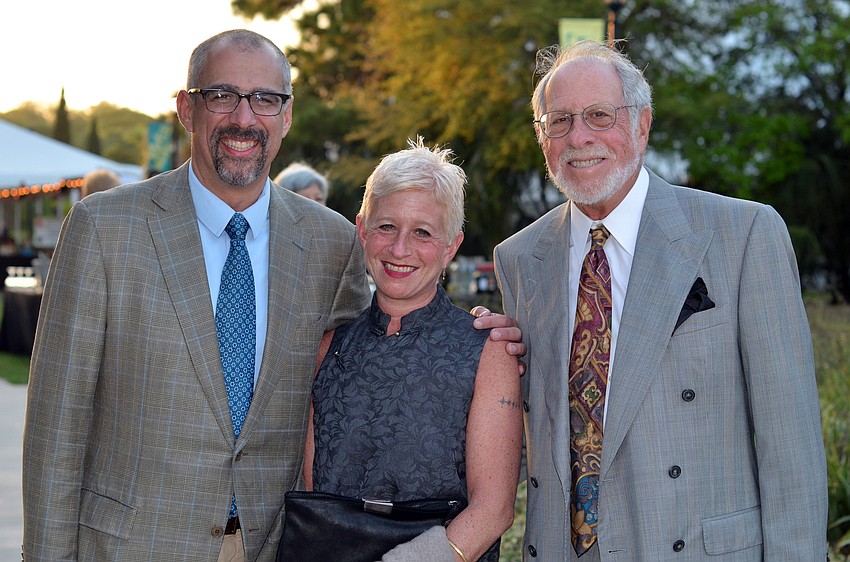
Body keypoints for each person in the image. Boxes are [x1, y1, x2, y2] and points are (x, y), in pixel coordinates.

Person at [21, 30, 524, 562]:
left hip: (272, 544)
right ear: (187, 109)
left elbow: (377, 344)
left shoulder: (328, 242)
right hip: (132, 546)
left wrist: (482, 334)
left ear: (286, 117)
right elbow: (57, 424)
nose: (244, 118)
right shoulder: (104, 228)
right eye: (222, 95)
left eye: (266, 99)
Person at [493, 40, 828, 561]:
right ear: (542, 137)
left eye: (599, 115)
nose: (578, 137)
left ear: (642, 125)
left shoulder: (743, 235)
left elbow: (792, 449)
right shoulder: (518, 259)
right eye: (558, 121)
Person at [298, 138, 522, 562]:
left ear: (450, 247)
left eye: (422, 232)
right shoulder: (330, 346)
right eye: (387, 227)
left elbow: (494, 511)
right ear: (362, 230)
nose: (400, 249)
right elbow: (314, 494)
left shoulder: (488, 351)